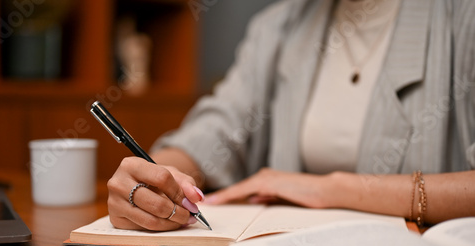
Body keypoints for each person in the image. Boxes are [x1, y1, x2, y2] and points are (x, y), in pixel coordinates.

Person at [107, 0, 475, 231]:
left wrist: (332, 189)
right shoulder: (278, 25)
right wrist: (162, 176)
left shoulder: (463, 17)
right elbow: (219, 127)